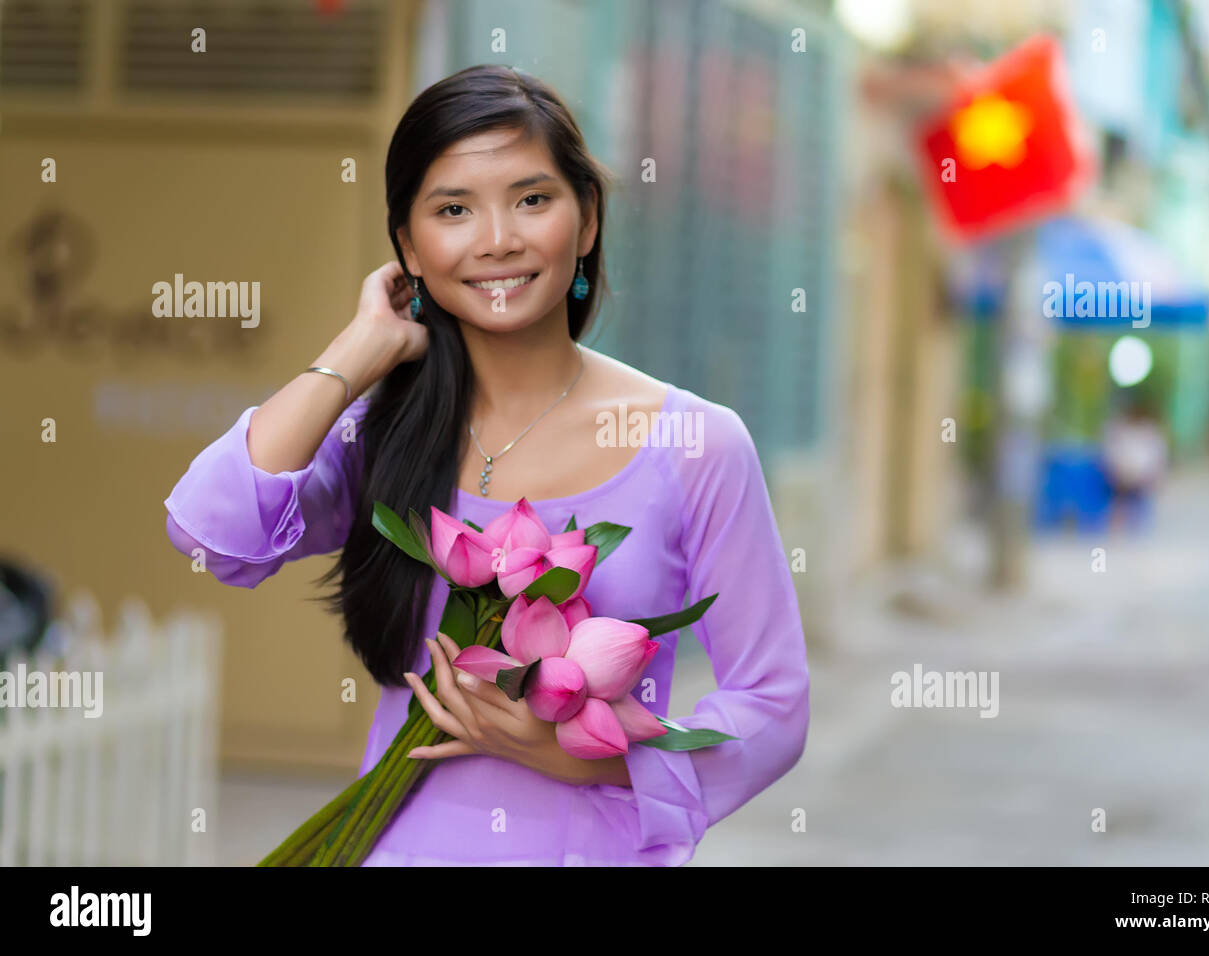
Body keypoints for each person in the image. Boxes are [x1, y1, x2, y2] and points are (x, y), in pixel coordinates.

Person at [162, 65, 810, 866]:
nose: (498, 238)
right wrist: (357, 352)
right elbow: (210, 533)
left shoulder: (697, 444)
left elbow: (774, 706)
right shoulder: (387, 432)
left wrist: (592, 757)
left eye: (533, 200)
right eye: (454, 210)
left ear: (589, 219)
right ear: (409, 245)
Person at [1100, 398, 1168, 533]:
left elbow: (1157, 459)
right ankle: (1118, 520)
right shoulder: (1117, 429)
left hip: (1142, 476)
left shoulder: (1150, 432)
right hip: (1119, 474)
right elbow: (1109, 454)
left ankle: (1129, 522)